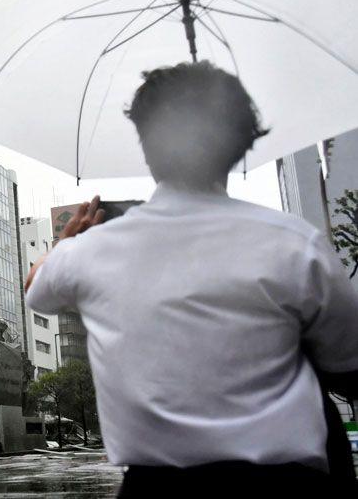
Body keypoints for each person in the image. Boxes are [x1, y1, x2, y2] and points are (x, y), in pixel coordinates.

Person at [25, 62, 358, 498]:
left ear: (147, 145)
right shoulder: (297, 245)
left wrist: (66, 243)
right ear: (242, 141)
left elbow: (35, 289)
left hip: (155, 486)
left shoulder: (93, 250)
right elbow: (347, 368)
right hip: (289, 482)